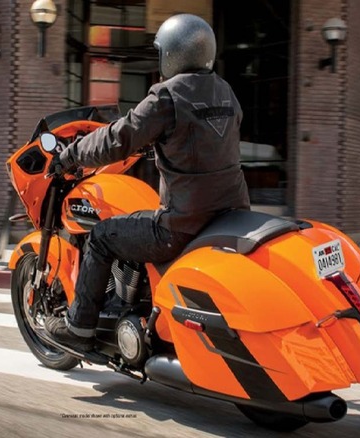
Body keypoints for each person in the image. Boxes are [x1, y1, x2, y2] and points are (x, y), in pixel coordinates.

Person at [45, 13, 250, 351]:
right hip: (231, 217)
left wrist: (70, 155)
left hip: (182, 227)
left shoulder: (167, 97)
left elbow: (117, 139)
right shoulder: (225, 91)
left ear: (173, 55)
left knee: (100, 236)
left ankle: (79, 327)